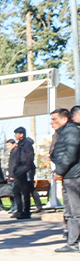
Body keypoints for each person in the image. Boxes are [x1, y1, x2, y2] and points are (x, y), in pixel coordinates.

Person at [51, 107, 80, 252]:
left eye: (54, 119)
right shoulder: (63, 132)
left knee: (75, 212)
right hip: (69, 176)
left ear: (65, 119)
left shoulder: (71, 131)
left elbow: (70, 154)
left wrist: (60, 171)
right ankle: (72, 241)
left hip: (73, 176)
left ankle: (74, 243)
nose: (51, 122)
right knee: (70, 211)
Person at [8, 127, 36, 220]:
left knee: (26, 192)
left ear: (21, 134)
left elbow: (29, 159)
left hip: (26, 171)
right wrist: (16, 170)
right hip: (19, 171)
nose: (15, 136)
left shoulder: (27, 144)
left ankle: (26, 211)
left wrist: (24, 169)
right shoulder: (19, 145)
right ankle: (19, 210)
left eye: (16, 134)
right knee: (16, 190)